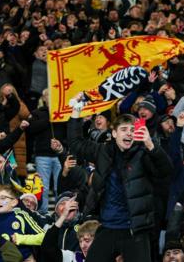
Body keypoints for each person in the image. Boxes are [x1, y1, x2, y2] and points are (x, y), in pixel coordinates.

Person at [67, 93, 173, 261]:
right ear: (114, 133)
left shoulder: (143, 153)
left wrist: (150, 144)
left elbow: (166, 171)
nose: (129, 134)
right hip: (107, 228)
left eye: (132, 130)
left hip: (135, 231)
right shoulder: (103, 151)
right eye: (124, 130)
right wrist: (76, 110)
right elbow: (75, 143)